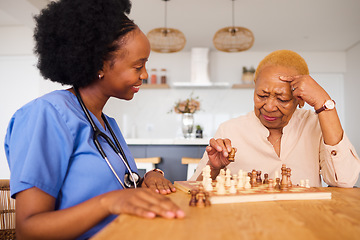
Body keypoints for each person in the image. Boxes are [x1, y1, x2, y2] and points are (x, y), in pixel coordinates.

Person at [4, 0, 185, 239]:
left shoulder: (106, 123)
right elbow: (29, 230)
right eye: (138, 65)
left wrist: (148, 178)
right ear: (99, 64)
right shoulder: (46, 115)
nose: (145, 75)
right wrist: (108, 203)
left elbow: (118, 187)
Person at [190, 50, 360, 188]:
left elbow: (344, 181)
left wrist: (324, 103)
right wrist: (213, 168)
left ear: (300, 100)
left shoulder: (316, 125)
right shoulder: (230, 130)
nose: (269, 107)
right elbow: (192, 189)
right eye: (261, 95)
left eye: (282, 99)